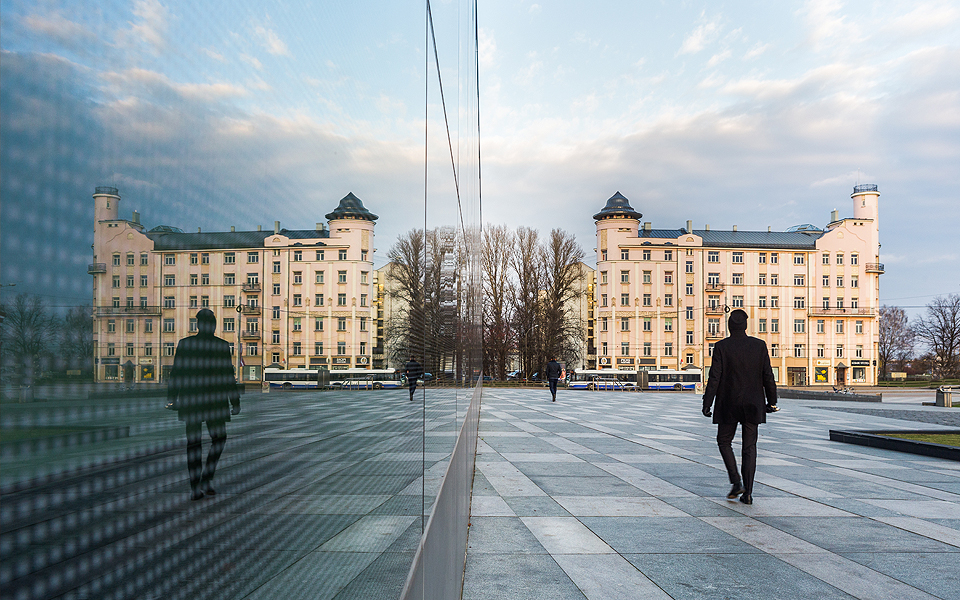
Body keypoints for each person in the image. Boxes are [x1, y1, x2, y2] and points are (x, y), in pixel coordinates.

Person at [701, 309, 777, 505]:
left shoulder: (721, 346)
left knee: (724, 441)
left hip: (728, 403)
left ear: (729, 326)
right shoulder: (759, 346)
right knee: (749, 447)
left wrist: (707, 403)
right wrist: (772, 401)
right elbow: (767, 375)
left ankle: (736, 482)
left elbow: (714, 377)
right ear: (745, 326)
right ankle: (748, 493)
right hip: (753, 403)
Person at [167, 309, 241, 501]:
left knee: (193, 445)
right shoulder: (221, 346)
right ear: (213, 325)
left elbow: (176, 373)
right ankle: (206, 480)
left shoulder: (185, 344)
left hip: (191, 402)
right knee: (219, 438)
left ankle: (195, 488)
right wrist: (235, 402)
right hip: (214, 403)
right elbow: (227, 376)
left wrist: (172, 398)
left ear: (197, 324)